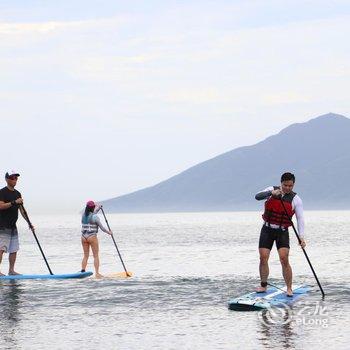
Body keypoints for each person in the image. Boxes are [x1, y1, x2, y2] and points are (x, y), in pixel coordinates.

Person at [255, 172, 306, 296]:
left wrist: (301, 237)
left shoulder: (296, 199)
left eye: (290, 185)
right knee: (263, 257)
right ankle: (263, 285)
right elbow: (257, 196)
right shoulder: (271, 190)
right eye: (285, 185)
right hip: (267, 230)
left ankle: (289, 288)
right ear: (281, 183)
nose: (288, 188)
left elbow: (300, 219)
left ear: (293, 185)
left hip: (282, 231)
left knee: (284, 259)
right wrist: (270, 194)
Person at [0, 170, 26, 276]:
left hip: (13, 226)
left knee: (14, 249)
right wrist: (14, 202)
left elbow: (22, 210)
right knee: (1, 248)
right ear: (7, 179)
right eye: (12, 178)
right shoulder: (2, 192)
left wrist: (29, 223)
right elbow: (1, 206)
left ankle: (11, 270)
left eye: (16, 178)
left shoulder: (17, 193)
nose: (15, 180)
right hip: (2, 225)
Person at [81, 200, 112, 278]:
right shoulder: (95, 217)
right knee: (95, 256)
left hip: (83, 237)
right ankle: (97, 273)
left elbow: (92, 214)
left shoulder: (83, 215)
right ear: (93, 208)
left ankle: (82, 270)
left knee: (85, 255)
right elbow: (102, 228)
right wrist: (109, 232)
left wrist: (98, 208)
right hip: (92, 237)